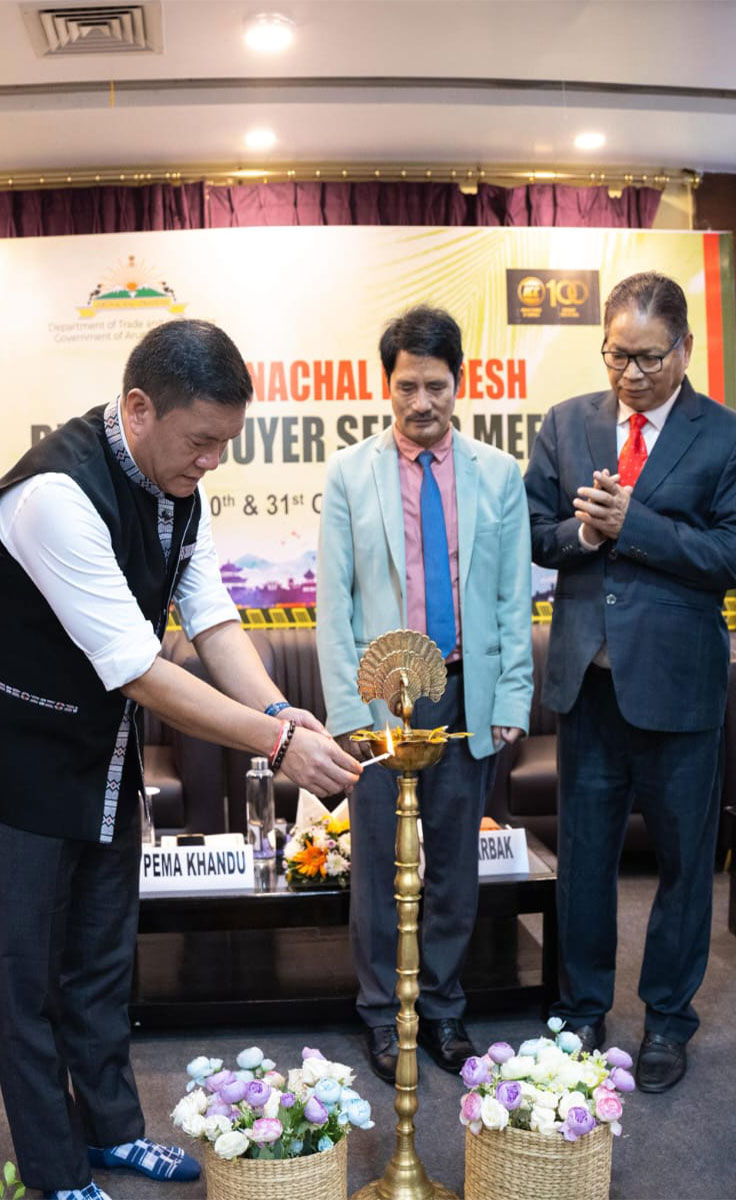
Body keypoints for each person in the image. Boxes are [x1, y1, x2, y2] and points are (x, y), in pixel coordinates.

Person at [0, 319, 361, 1200]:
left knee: (100, 957)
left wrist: (281, 708)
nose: (213, 461)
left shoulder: (179, 489)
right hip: (19, 755)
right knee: (26, 979)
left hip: (98, 752)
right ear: (138, 408)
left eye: (224, 444)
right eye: (201, 440)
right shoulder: (54, 494)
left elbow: (210, 622)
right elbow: (136, 666)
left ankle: (113, 1135)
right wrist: (278, 744)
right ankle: (58, 1174)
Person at [523, 271, 736, 1092]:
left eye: (648, 358)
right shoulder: (565, 424)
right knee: (584, 865)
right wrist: (582, 533)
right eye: (616, 356)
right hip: (588, 691)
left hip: (680, 693)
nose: (629, 374)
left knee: (686, 867)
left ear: (685, 350)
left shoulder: (728, 436)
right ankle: (582, 1012)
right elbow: (535, 536)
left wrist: (638, 525)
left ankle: (668, 1020)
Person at [316, 305, 533, 1083]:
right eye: (407, 386)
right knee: (379, 864)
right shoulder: (348, 474)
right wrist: (346, 711)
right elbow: (333, 607)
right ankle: (382, 1015)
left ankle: (440, 1008)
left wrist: (511, 696)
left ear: (459, 383)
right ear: (388, 383)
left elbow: (512, 597)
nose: (421, 403)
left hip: (467, 695)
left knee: (452, 866)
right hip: (384, 702)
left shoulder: (499, 475)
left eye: (436, 386)